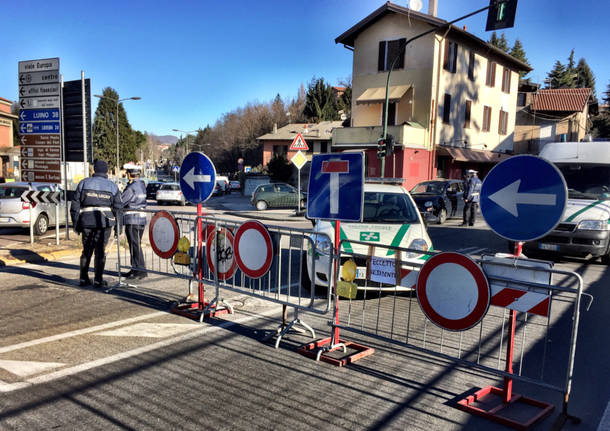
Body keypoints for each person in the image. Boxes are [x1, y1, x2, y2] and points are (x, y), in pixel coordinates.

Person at [70, 160, 122, 287]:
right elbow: (118, 209)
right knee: (100, 251)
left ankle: (83, 278)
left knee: (86, 250)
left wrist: (76, 224)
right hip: (104, 223)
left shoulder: (83, 183)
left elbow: (75, 206)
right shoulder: (112, 186)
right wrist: (119, 228)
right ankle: (98, 279)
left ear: (94, 170)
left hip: (86, 222)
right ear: (106, 171)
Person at [121, 163, 147, 280]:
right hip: (141, 219)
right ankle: (135, 268)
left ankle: (140, 271)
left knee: (134, 245)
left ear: (130, 174)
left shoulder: (131, 188)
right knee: (136, 245)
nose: (126, 175)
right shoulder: (141, 185)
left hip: (132, 219)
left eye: (127, 173)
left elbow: (121, 201)